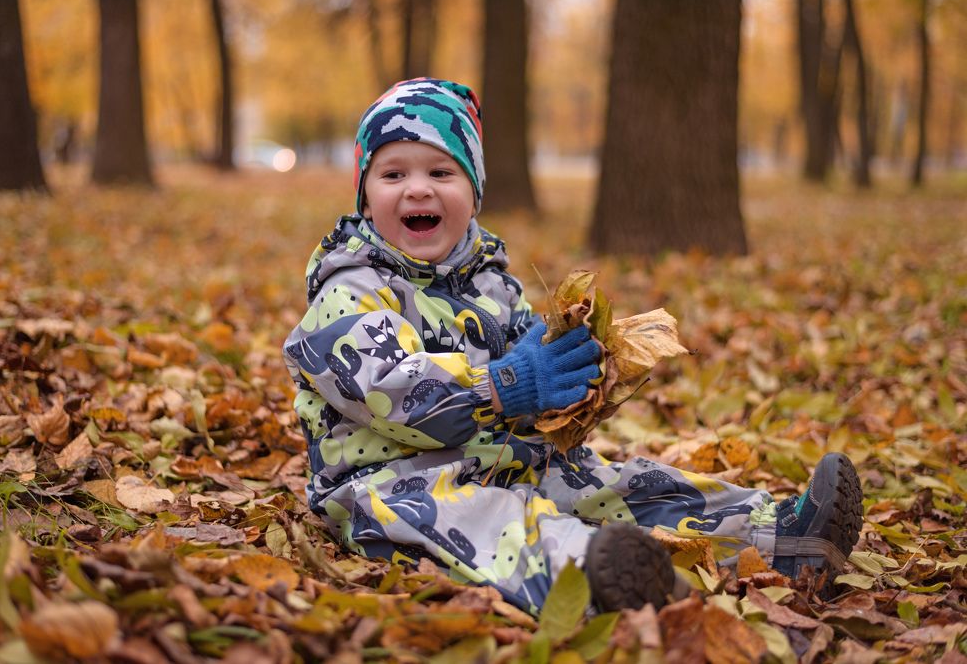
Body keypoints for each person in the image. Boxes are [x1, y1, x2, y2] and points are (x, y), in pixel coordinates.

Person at [282, 78, 863, 615]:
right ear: (365, 196)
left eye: (441, 172)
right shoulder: (350, 290)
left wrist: (580, 375)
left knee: (615, 484)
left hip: (504, 463)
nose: (416, 189)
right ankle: (600, 579)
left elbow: (532, 373)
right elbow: (392, 394)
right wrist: (508, 384)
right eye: (391, 175)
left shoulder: (490, 285)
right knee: (496, 523)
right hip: (389, 487)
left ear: (473, 192)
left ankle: (779, 537)